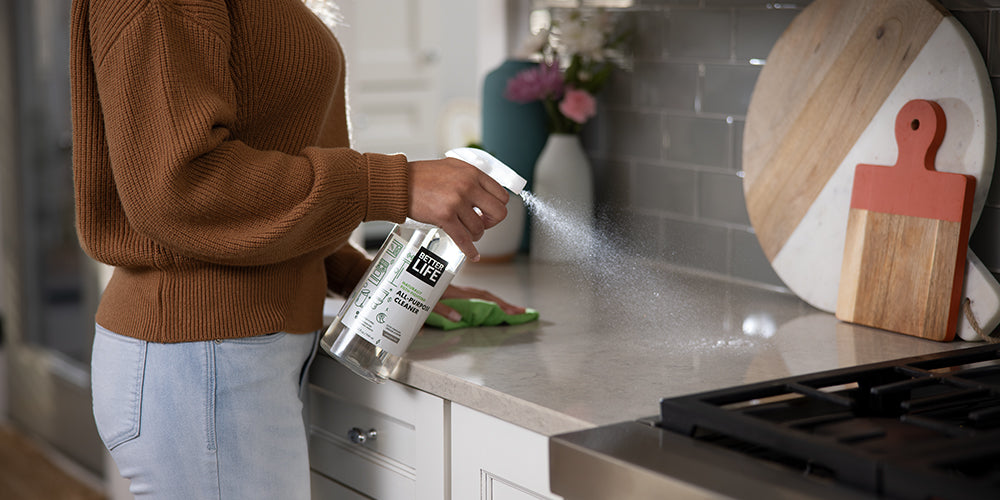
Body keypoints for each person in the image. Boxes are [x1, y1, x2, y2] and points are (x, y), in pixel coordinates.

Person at [70, 0, 524, 498]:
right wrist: (393, 181)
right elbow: (180, 188)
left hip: (225, 360)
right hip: (203, 360)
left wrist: (375, 282)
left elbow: (267, 151)